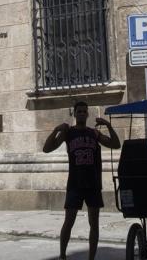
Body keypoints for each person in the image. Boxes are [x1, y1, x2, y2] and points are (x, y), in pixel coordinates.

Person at [42, 101, 121, 260]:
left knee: (94, 223)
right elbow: (47, 148)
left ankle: (91, 257)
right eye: (79, 111)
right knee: (68, 222)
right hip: (75, 184)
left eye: (85, 111)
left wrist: (107, 125)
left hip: (92, 184)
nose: (82, 114)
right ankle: (63, 255)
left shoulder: (94, 133)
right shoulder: (68, 133)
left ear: (88, 114)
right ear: (74, 113)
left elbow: (116, 144)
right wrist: (56, 130)